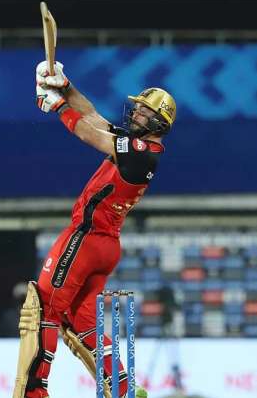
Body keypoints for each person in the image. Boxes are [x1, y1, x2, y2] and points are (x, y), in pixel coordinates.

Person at [12, 60, 176, 398]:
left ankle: (33, 392)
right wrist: (65, 86)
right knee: (81, 321)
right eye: (137, 108)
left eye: (144, 112)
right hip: (105, 246)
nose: (136, 114)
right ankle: (124, 389)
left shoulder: (141, 153)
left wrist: (57, 107)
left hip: (86, 238)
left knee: (43, 308)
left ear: (160, 123)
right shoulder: (138, 147)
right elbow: (94, 117)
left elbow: (88, 133)